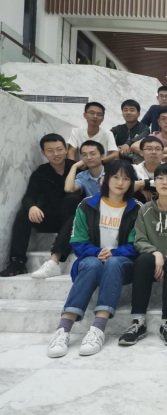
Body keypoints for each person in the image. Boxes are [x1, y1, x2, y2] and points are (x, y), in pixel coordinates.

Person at [46, 160, 140, 358]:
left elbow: (137, 244)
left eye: (126, 178)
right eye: (115, 177)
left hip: (122, 263)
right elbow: (78, 240)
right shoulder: (87, 204)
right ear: (105, 179)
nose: (120, 182)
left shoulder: (137, 208)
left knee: (112, 262)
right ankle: (63, 330)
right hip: (92, 259)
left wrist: (114, 253)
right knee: (91, 263)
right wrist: (97, 252)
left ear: (132, 183)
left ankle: (97, 329)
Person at [119, 164, 167, 346]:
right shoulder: (145, 209)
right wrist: (156, 254)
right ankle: (138, 321)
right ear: (154, 182)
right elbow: (139, 240)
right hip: (153, 265)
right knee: (143, 259)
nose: (164, 182)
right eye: (160, 178)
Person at [1, 134, 76, 277]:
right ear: (43, 153)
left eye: (59, 149)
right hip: (51, 219)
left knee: (72, 200)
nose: (56, 154)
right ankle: (17, 262)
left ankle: (57, 255)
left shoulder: (77, 168)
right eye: (50, 151)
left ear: (66, 149)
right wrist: (32, 207)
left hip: (72, 221)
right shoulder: (41, 172)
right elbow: (29, 196)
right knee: (23, 213)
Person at [31, 141, 105, 279]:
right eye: (84, 155)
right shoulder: (83, 176)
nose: (88, 157)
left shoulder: (113, 172)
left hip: (114, 216)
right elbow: (68, 188)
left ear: (102, 156)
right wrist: (75, 166)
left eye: (92, 153)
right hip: (93, 218)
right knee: (73, 217)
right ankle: (54, 262)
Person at [132, 136, 164, 203]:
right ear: (141, 152)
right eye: (149, 149)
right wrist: (139, 189)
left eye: (158, 149)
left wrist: (143, 184)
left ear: (162, 152)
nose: (154, 152)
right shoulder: (134, 169)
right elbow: (126, 187)